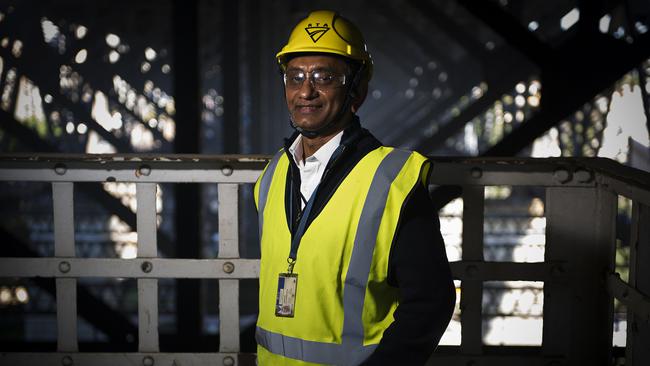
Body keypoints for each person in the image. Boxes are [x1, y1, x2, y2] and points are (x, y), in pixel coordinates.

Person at [253, 10, 455, 366]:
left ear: (357, 89)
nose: (306, 91)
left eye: (324, 77)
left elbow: (430, 303)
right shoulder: (272, 176)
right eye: (295, 76)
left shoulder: (394, 180)